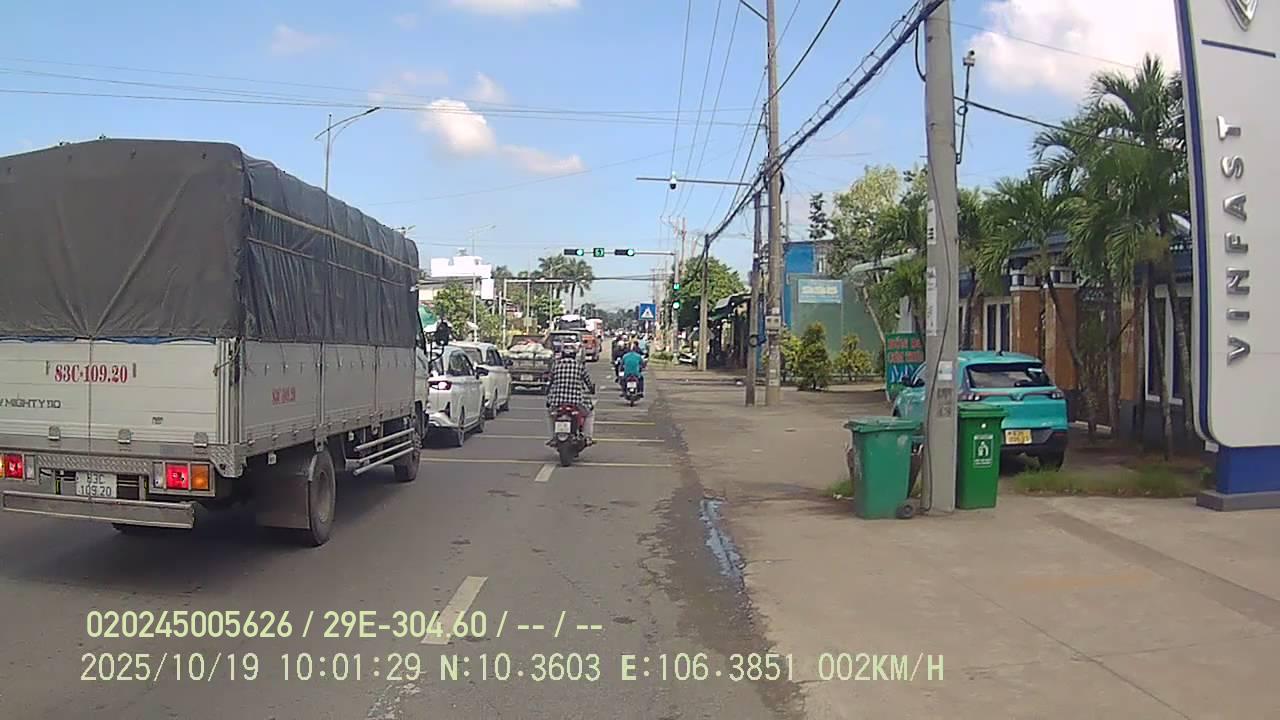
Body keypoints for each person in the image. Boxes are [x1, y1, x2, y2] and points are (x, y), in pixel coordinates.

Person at [546, 342, 595, 444]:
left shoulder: (556, 366)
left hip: (557, 400)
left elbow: (550, 382)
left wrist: (548, 394)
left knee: (551, 415)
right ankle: (588, 437)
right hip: (576, 401)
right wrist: (591, 389)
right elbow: (588, 381)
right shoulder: (579, 366)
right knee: (589, 414)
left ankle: (553, 437)